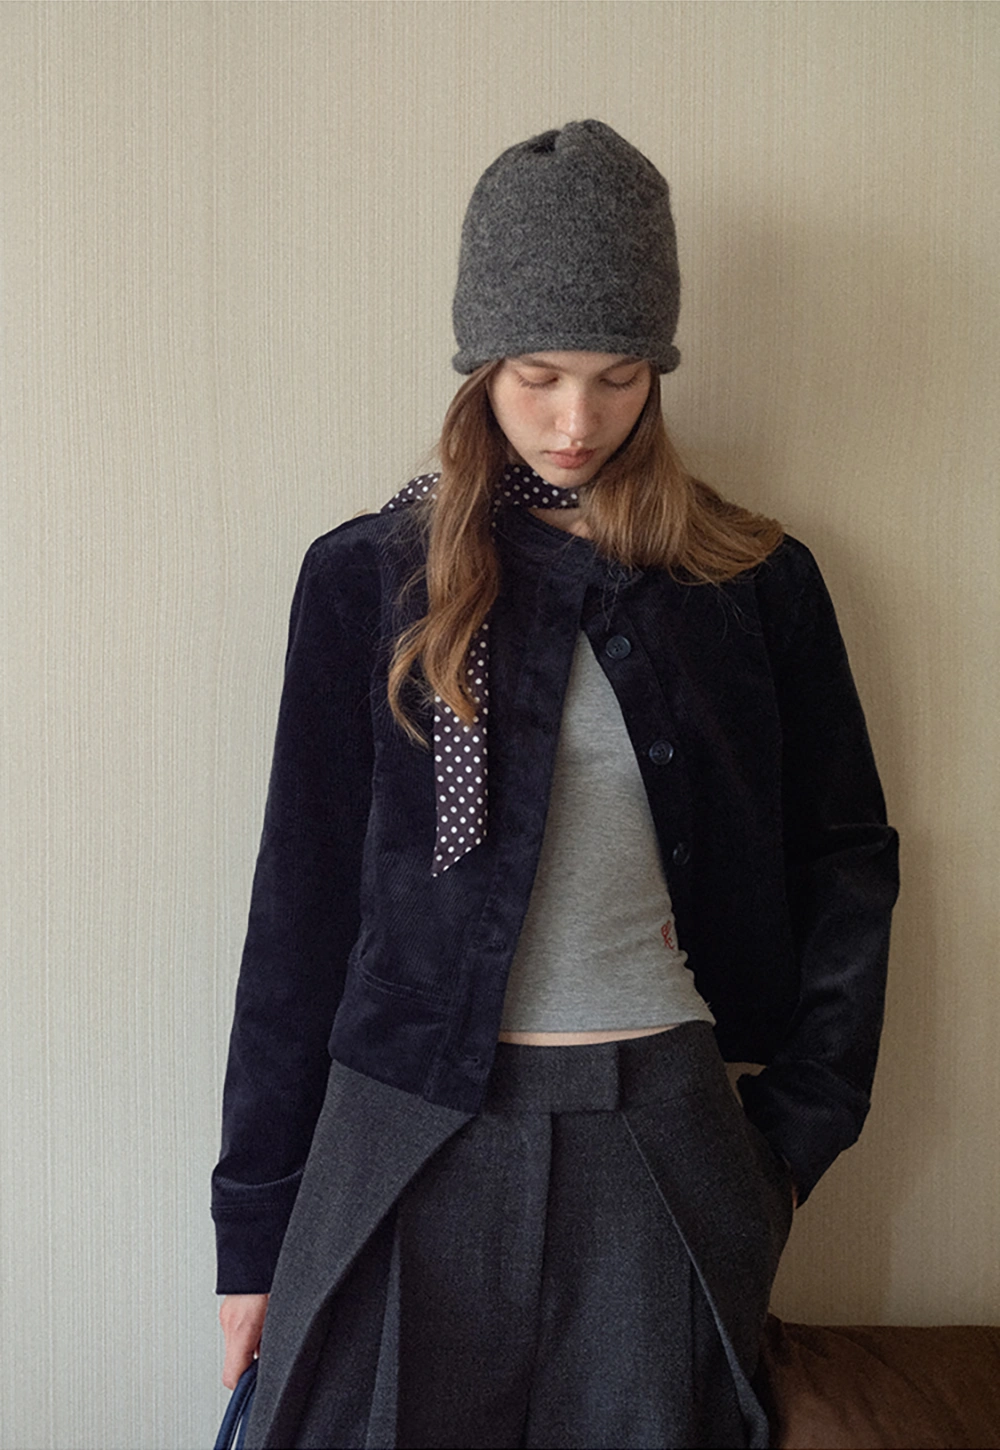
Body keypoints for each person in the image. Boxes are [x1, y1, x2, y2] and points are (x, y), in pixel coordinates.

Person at [212, 120, 899, 1449]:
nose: (577, 420)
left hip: (662, 1143)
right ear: (481, 366)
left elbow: (846, 860)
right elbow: (296, 915)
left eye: (618, 376)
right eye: (538, 376)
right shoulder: (370, 578)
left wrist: (788, 1143)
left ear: (659, 373)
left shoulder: (752, 583)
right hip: (401, 1135)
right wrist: (252, 1232)